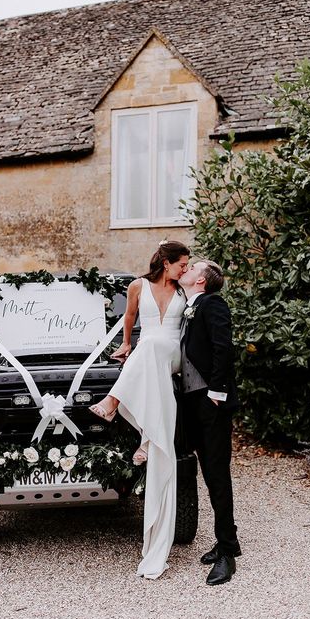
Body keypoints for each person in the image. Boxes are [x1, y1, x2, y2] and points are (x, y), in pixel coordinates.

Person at [89, 241, 190, 579]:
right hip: (148, 350)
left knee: (152, 348)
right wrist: (126, 344)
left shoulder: (184, 288)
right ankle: (148, 440)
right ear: (165, 262)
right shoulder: (137, 285)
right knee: (146, 350)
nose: (184, 270)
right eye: (181, 265)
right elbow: (129, 318)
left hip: (172, 352)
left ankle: (112, 402)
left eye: (187, 266)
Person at [178, 259, 241, 586]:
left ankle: (227, 555)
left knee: (217, 474)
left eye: (191, 268)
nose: (185, 271)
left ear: (201, 280)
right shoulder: (190, 305)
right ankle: (228, 540)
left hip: (210, 402)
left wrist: (216, 393)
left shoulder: (212, 303)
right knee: (209, 472)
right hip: (194, 403)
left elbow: (223, 348)